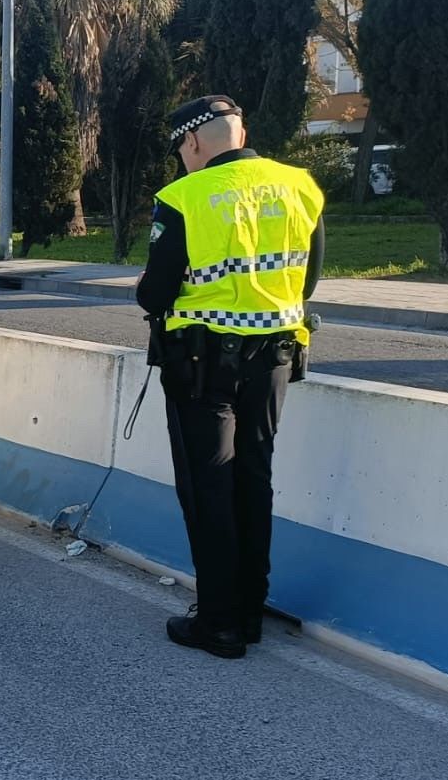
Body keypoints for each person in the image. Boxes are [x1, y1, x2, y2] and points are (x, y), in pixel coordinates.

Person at [135, 95, 326, 660]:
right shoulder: (301, 187)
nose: (181, 160)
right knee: (252, 478)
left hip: (201, 366)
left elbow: (156, 292)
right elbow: (308, 282)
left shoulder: (183, 197)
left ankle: (218, 623)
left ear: (193, 142)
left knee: (208, 484)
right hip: (274, 361)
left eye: (180, 150)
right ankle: (248, 612)